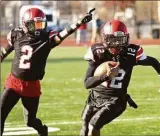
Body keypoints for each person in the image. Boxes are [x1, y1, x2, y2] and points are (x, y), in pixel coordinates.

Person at [0, 7, 93, 136]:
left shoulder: (46, 38)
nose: (38, 28)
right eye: (34, 24)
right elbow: (4, 52)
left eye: (40, 24)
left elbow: (63, 34)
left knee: (30, 121)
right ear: (25, 24)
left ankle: (43, 130)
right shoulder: (17, 34)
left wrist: (79, 23)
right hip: (14, 83)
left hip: (32, 85)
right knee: (0, 115)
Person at [80, 20, 160, 136]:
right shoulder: (98, 52)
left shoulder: (131, 53)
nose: (118, 44)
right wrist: (106, 76)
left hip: (116, 100)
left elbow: (153, 61)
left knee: (93, 125)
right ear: (106, 39)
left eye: (121, 39)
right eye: (114, 40)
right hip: (95, 97)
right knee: (84, 127)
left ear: (126, 38)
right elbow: (87, 83)